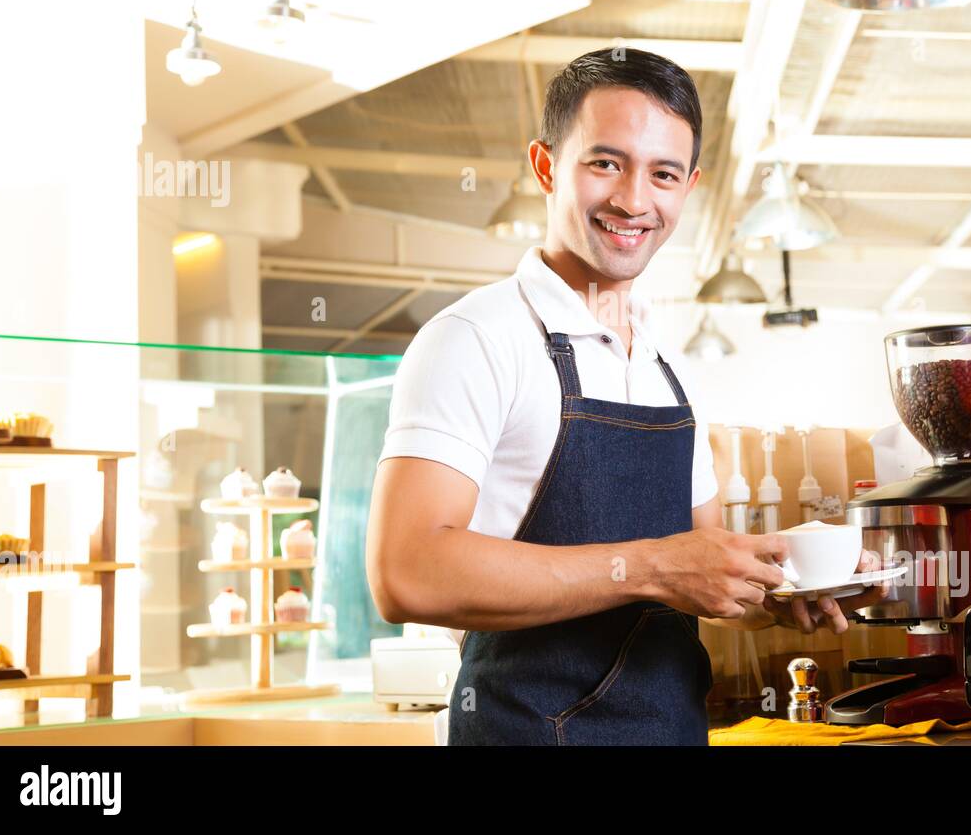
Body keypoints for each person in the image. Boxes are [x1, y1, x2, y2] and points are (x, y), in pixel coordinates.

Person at [366, 47, 883, 746]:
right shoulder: (475, 338)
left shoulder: (670, 365)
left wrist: (787, 592)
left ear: (689, 188)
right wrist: (650, 567)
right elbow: (407, 572)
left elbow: (700, 566)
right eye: (606, 163)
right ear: (547, 165)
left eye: (663, 174)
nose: (634, 200)